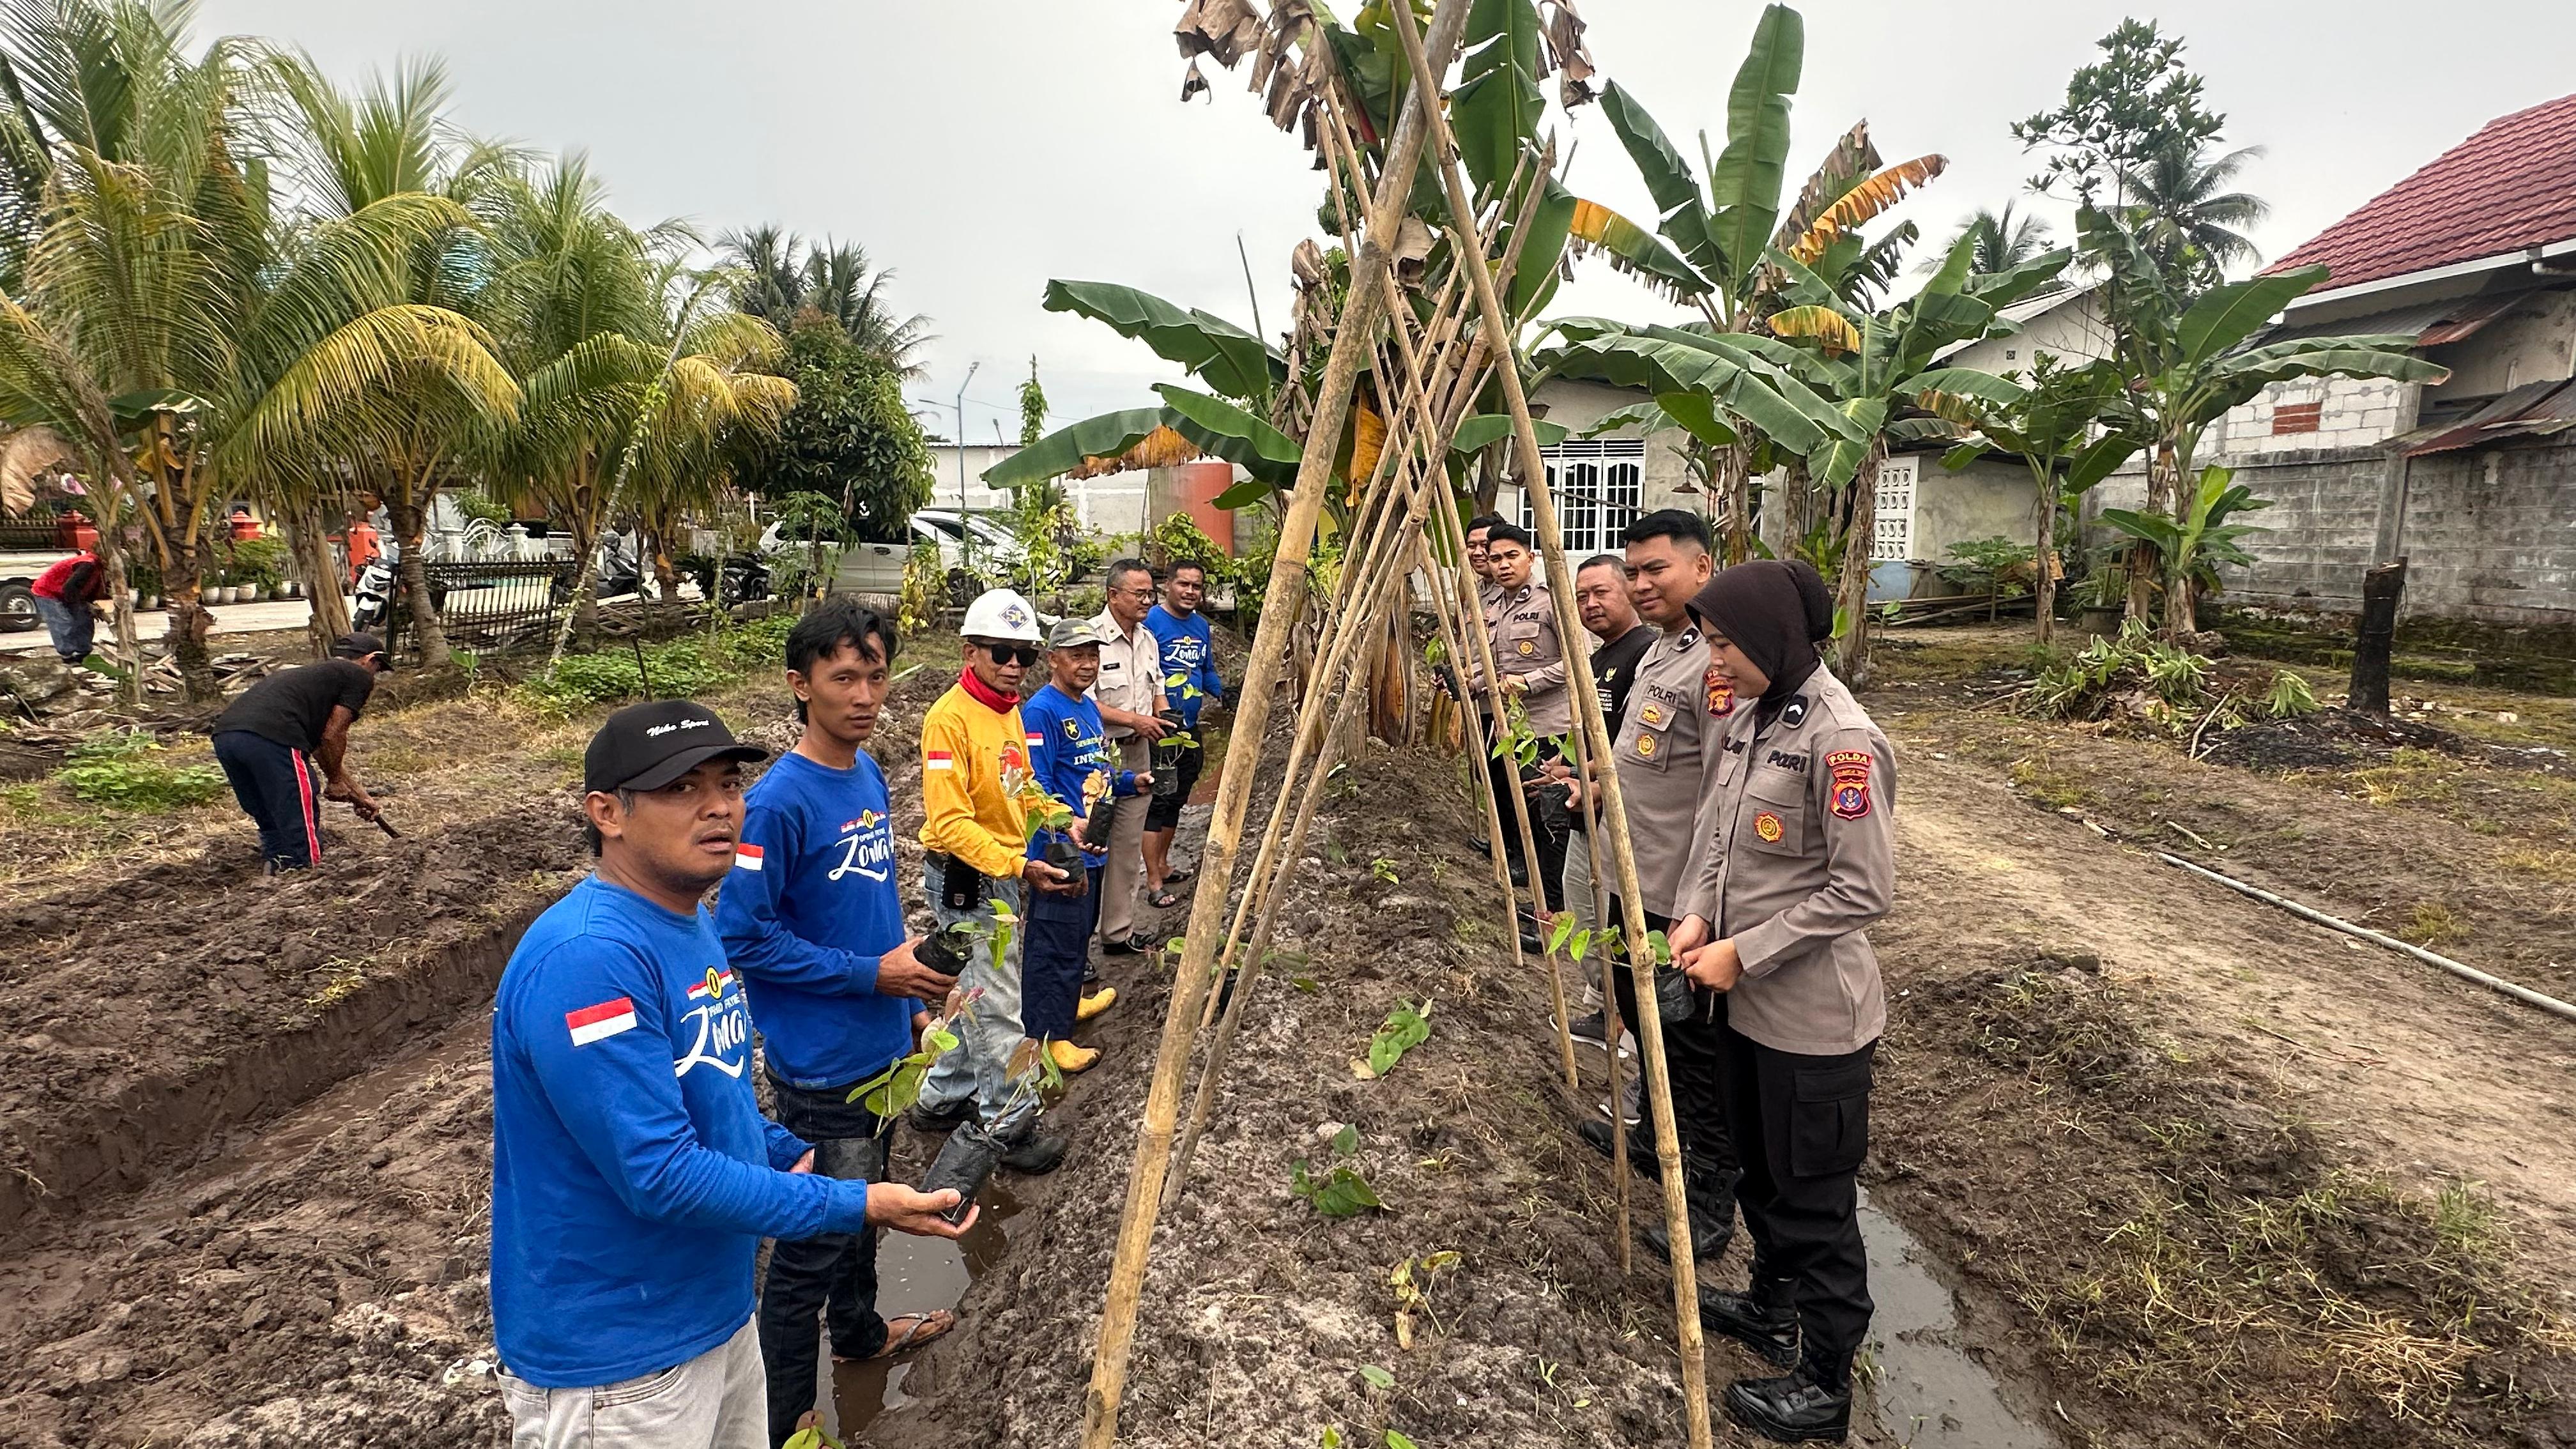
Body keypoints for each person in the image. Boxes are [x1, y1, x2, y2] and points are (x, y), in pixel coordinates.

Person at [490, 699, 972, 1449]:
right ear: (607, 813)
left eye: (727, 783)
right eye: (681, 788)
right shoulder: (589, 961)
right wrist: (855, 1201)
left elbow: (709, 1093)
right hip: (621, 1365)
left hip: (715, 1315)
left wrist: (783, 1150)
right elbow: (660, 1175)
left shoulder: (688, 922)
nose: (718, 806)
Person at [711, 601, 961, 1448]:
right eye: (843, 677)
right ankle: (785, 1422)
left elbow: (874, 910)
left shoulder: (865, 774)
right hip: (822, 1067)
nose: (863, 696)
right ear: (801, 684)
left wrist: (908, 999)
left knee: (863, 1209)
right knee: (810, 1249)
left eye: (876, 676)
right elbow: (743, 937)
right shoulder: (778, 803)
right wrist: (870, 976)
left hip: (879, 1046)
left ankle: (859, 1334)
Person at [1671, 560, 1896, 1445]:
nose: (1713, 662)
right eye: (1707, 643)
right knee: (1760, 1176)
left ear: (1773, 637)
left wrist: (1746, 950)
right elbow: (1717, 839)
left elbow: (1862, 890)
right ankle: (1770, 1307)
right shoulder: (1752, 716)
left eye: (1725, 644)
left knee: (1814, 1206)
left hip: (1811, 1022)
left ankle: (1827, 1384)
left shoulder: (1844, 741)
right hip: (1744, 1010)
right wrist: (1696, 913)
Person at [1575, 509, 1740, 1268]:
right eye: (1633, 571)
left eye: (1655, 570)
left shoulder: (1715, 663)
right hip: (1632, 875)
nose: (1641, 585)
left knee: (1690, 1048)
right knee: (1641, 1020)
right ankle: (1650, 1139)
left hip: (1677, 895)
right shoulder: (1660, 651)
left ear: (1701, 568)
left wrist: (1701, 905)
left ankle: (1709, 1200)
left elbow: (1721, 792)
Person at [908, 588, 1080, 1170]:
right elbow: (949, 823)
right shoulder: (947, 721)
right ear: (970, 652)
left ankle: (939, 1099)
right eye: (1001, 653)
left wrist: (1063, 822)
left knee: (978, 992)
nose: (1014, 666)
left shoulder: (1007, 710)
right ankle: (1011, 1124)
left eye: (1024, 655)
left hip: (1001, 873)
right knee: (1000, 1003)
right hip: (968, 879)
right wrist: (1019, 865)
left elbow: (1020, 788)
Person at [1019, 617, 1141, 1073]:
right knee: (1053, 943)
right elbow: (1034, 784)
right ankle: (1048, 1036)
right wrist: (1066, 822)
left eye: (1093, 656)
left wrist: (1129, 782)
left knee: (1077, 934)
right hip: (1060, 850)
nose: (1087, 664)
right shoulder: (1041, 712)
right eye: (1077, 656)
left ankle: (1068, 1004)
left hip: (1092, 845)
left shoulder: (1087, 706)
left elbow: (1096, 770)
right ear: (1053, 660)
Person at [208, 632, 387, 872]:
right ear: (370, 659)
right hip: (274, 737)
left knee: (267, 810)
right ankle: (306, 873)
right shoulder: (357, 675)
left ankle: (278, 866)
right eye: (378, 668)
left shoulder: (307, 680)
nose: (375, 675)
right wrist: (335, 782)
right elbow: (333, 734)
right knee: (297, 812)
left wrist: (359, 795)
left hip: (227, 737)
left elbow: (323, 747)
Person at [1465, 523, 1569, 914]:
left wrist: (1528, 682)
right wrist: (1472, 683)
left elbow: (1577, 663)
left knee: (1550, 822)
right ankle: (1541, 904)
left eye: (1512, 556)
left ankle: (1555, 909)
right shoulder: (1494, 608)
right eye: (1496, 559)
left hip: (1549, 730)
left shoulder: (1550, 601)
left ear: (1531, 557)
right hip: (1510, 728)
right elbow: (1496, 667)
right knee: (1519, 807)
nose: (1503, 565)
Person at [1087, 558, 1167, 956]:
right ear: (1113, 595)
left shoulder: (1148, 640)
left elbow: (1157, 688)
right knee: (1088, 843)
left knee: (1127, 843)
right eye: (1140, 594)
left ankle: (1117, 932)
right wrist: (1136, 720)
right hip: (1096, 755)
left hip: (1137, 752)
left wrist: (1164, 717)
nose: (1147, 601)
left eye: (1151, 594)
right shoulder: (1090, 640)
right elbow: (1084, 704)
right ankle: (1078, 942)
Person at [1140, 559, 1222, 905]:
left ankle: (1163, 862)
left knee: (1178, 796)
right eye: (1183, 584)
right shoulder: (1150, 623)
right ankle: (1153, 881)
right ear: (1168, 585)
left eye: (1196, 586)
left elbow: (1206, 670)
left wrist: (1224, 693)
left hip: (1188, 729)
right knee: (1158, 799)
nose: (1190, 591)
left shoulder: (1201, 626)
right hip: (1159, 730)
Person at [28, 548, 107, 664]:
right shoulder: (88, 565)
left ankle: (83, 652)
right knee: (63, 622)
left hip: (67, 593)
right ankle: (67, 655)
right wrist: (85, 604)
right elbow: (69, 588)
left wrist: (90, 605)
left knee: (84, 618)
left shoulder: (98, 569)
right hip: (47, 591)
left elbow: (89, 589)